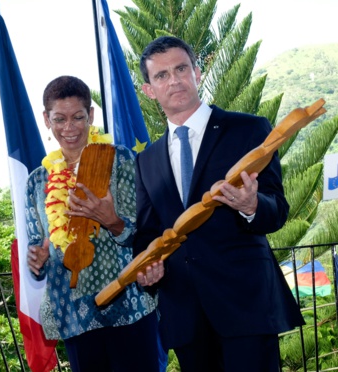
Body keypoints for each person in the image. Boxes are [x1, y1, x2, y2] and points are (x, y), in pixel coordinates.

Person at [133, 36, 305, 371]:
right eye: (162, 75)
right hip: (184, 316)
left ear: (197, 73)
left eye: (181, 69)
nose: (175, 80)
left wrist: (251, 205)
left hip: (246, 307)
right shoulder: (147, 161)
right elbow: (147, 233)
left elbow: (277, 209)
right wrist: (147, 270)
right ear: (149, 90)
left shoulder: (249, 130)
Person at [25, 75, 163, 372]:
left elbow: (146, 233)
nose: (69, 128)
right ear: (46, 120)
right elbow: (37, 242)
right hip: (73, 314)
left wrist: (112, 221)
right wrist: (38, 257)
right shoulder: (37, 181)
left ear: (91, 115)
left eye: (77, 117)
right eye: (59, 119)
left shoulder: (122, 160)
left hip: (128, 306)